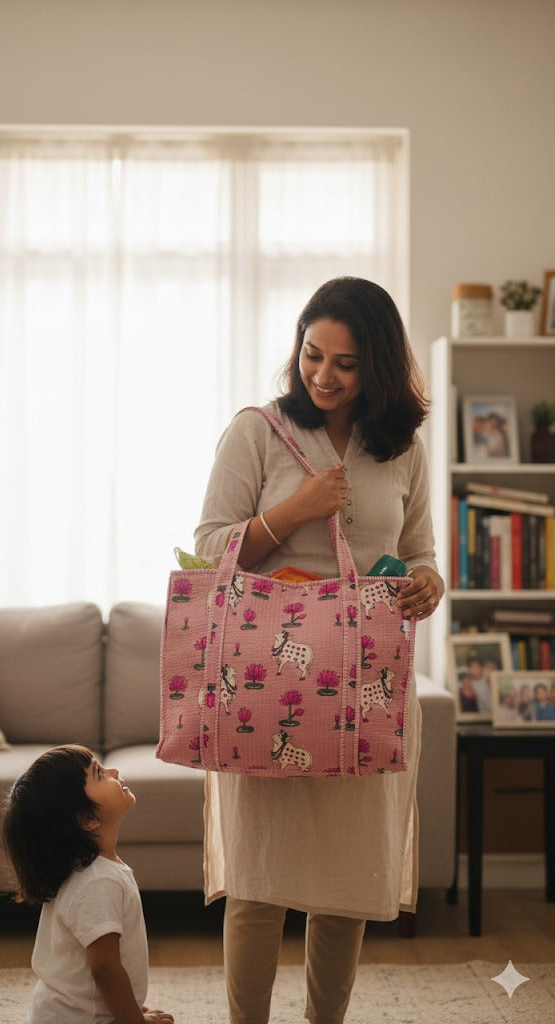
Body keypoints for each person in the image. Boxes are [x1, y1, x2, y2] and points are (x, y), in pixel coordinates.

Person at [195, 276, 444, 1024]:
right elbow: (209, 551)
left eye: (346, 363)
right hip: (271, 689)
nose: (324, 376)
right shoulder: (257, 432)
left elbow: (420, 552)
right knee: (259, 881)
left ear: (380, 366)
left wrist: (428, 586)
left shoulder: (402, 449)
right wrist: (291, 513)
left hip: (367, 686)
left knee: (348, 881)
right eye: (312, 354)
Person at [1, 744, 174, 1024]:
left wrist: (125, 1008)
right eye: (100, 774)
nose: (115, 771)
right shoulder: (99, 881)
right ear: (87, 819)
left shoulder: (91, 870)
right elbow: (104, 969)